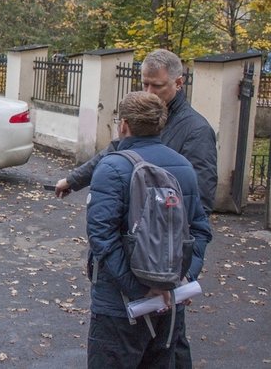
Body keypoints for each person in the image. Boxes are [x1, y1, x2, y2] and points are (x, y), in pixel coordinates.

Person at [86, 91, 211, 368]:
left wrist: (138, 289)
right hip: (169, 302)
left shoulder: (112, 167)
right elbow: (200, 230)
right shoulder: (183, 167)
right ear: (161, 125)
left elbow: (101, 238)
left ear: (124, 125)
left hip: (119, 305)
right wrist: (183, 279)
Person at [55, 48, 218, 213]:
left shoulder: (197, 131)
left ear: (178, 83)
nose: (149, 92)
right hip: (136, 226)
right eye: (145, 84)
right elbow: (115, 149)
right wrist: (72, 180)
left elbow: (200, 201)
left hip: (168, 232)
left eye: (157, 86)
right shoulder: (144, 114)